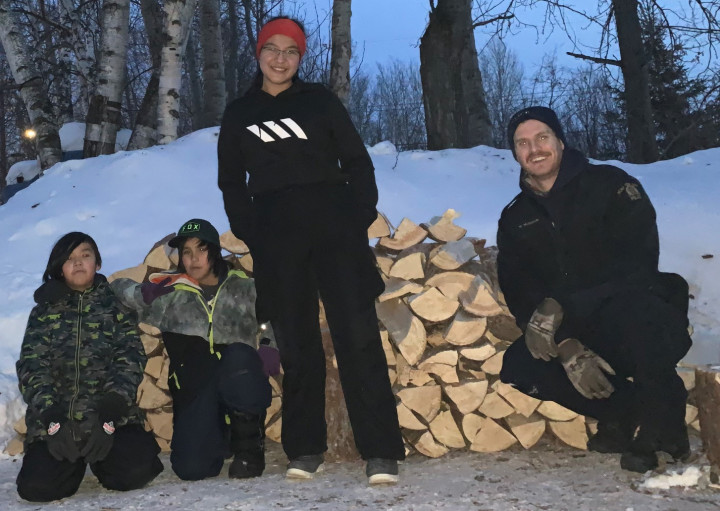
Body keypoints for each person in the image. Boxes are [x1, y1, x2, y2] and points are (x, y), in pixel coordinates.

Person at [217, 16, 404, 484]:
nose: (280, 59)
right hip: (279, 241)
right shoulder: (240, 113)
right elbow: (230, 182)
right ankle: (304, 449)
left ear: (301, 58)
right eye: (272, 49)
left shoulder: (320, 102)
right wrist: (253, 233)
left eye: (291, 51)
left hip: (336, 234)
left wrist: (355, 216)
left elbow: (357, 161)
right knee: (298, 346)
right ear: (258, 53)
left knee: (358, 338)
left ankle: (380, 450)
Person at [497, 106, 693, 473]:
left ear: (560, 140)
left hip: (638, 314)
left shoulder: (611, 185)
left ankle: (658, 427)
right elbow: (518, 289)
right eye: (522, 143)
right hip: (579, 329)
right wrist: (566, 342)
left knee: (640, 315)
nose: (534, 149)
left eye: (542, 138)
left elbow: (637, 266)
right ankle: (629, 412)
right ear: (514, 153)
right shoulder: (515, 217)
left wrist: (563, 303)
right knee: (521, 364)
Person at [111, 218, 277, 481]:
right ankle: (220, 437)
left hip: (238, 379)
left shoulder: (243, 287)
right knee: (191, 469)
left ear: (215, 252)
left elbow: (274, 319)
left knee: (238, 356)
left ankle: (249, 449)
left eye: (201, 250)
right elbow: (115, 291)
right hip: (196, 390)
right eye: (187, 252)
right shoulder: (171, 293)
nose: (193, 259)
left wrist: (269, 347)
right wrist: (143, 294)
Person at [16, 232, 163, 502]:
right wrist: (52, 419)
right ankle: (71, 464)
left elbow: (129, 360)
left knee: (136, 473)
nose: (78, 263)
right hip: (58, 421)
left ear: (97, 262)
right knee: (37, 489)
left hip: (108, 418)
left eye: (85, 255)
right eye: (70, 258)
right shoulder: (44, 312)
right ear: (59, 267)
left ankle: (104, 458)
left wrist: (110, 415)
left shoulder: (116, 306)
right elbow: (32, 367)